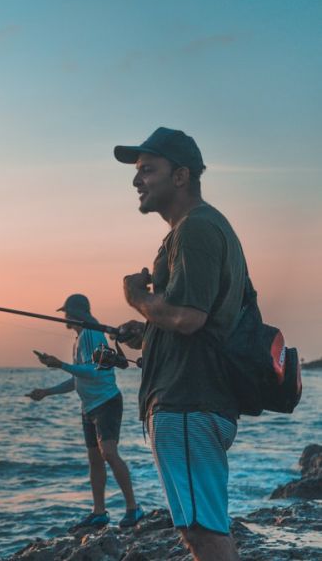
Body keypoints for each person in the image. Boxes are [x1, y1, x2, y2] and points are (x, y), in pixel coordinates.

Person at [114, 127, 245, 561]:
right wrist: (149, 329)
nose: (137, 181)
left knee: (203, 533)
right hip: (192, 401)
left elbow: (189, 318)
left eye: (147, 170)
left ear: (181, 176)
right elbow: (198, 318)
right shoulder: (197, 230)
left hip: (189, 401)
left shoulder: (197, 229)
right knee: (202, 527)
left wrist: (137, 298)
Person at [26, 294, 144, 530]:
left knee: (109, 453)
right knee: (95, 460)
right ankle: (99, 512)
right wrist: (46, 392)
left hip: (106, 402)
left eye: (67, 314)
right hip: (88, 407)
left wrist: (60, 364)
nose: (65, 318)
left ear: (76, 313)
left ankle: (134, 508)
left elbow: (94, 371)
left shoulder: (92, 333)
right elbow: (78, 378)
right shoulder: (79, 338)